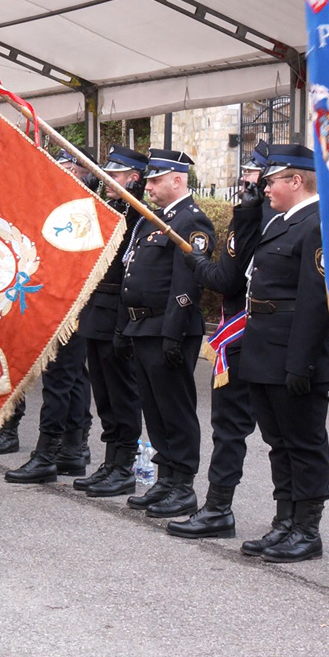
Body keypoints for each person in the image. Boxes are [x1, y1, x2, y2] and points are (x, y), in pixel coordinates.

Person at [237, 144, 329, 563]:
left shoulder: (316, 223)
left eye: (272, 180)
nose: (265, 186)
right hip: (265, 349)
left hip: (293, 353)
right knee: (278, 442)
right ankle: (285, 521)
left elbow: (315, 302)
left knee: (303, 442)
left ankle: (307, 529)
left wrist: (302, 361)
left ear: (296, 180)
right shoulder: (282, 221)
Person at [169, 145, 268, 538]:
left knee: (247, 429)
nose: (246, 181)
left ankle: (290, 522)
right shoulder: (256, 217)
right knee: (229, 427)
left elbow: (226, 280)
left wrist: (197, 264)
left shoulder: (265, 220)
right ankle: (218, 507)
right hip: (242, 334)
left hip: (255, 335)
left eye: (255, 175)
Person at [119, 148, 214, 517]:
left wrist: (173, 334)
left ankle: (183, 484)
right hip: (143, 325)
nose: (149, 185)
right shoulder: (152, 218)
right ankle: (166, 477)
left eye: (156, 179)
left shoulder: (191, 221)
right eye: (149, 179)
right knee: (154, 408)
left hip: (167, 327)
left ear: (178, 180)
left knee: (175, 407)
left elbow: (185, 283)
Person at [5, 150, 96, 483]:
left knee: (62, 378)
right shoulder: (59, 204)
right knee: (68, 378)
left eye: (71, 169)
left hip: (73, 305)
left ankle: (48, 453)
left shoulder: (85, 209)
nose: (63, 174)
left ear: (85, 172)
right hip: (55, 301)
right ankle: (71, 449)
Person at [73, 145, 147, 497]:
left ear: (133, 178)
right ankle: (111, 460)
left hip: (116, 312)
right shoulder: (112, 209)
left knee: (122, 393)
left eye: (115, 175)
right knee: (103, 394)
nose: (107, 179)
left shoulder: (138, 216)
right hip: (96, 311)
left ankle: (125, 464)